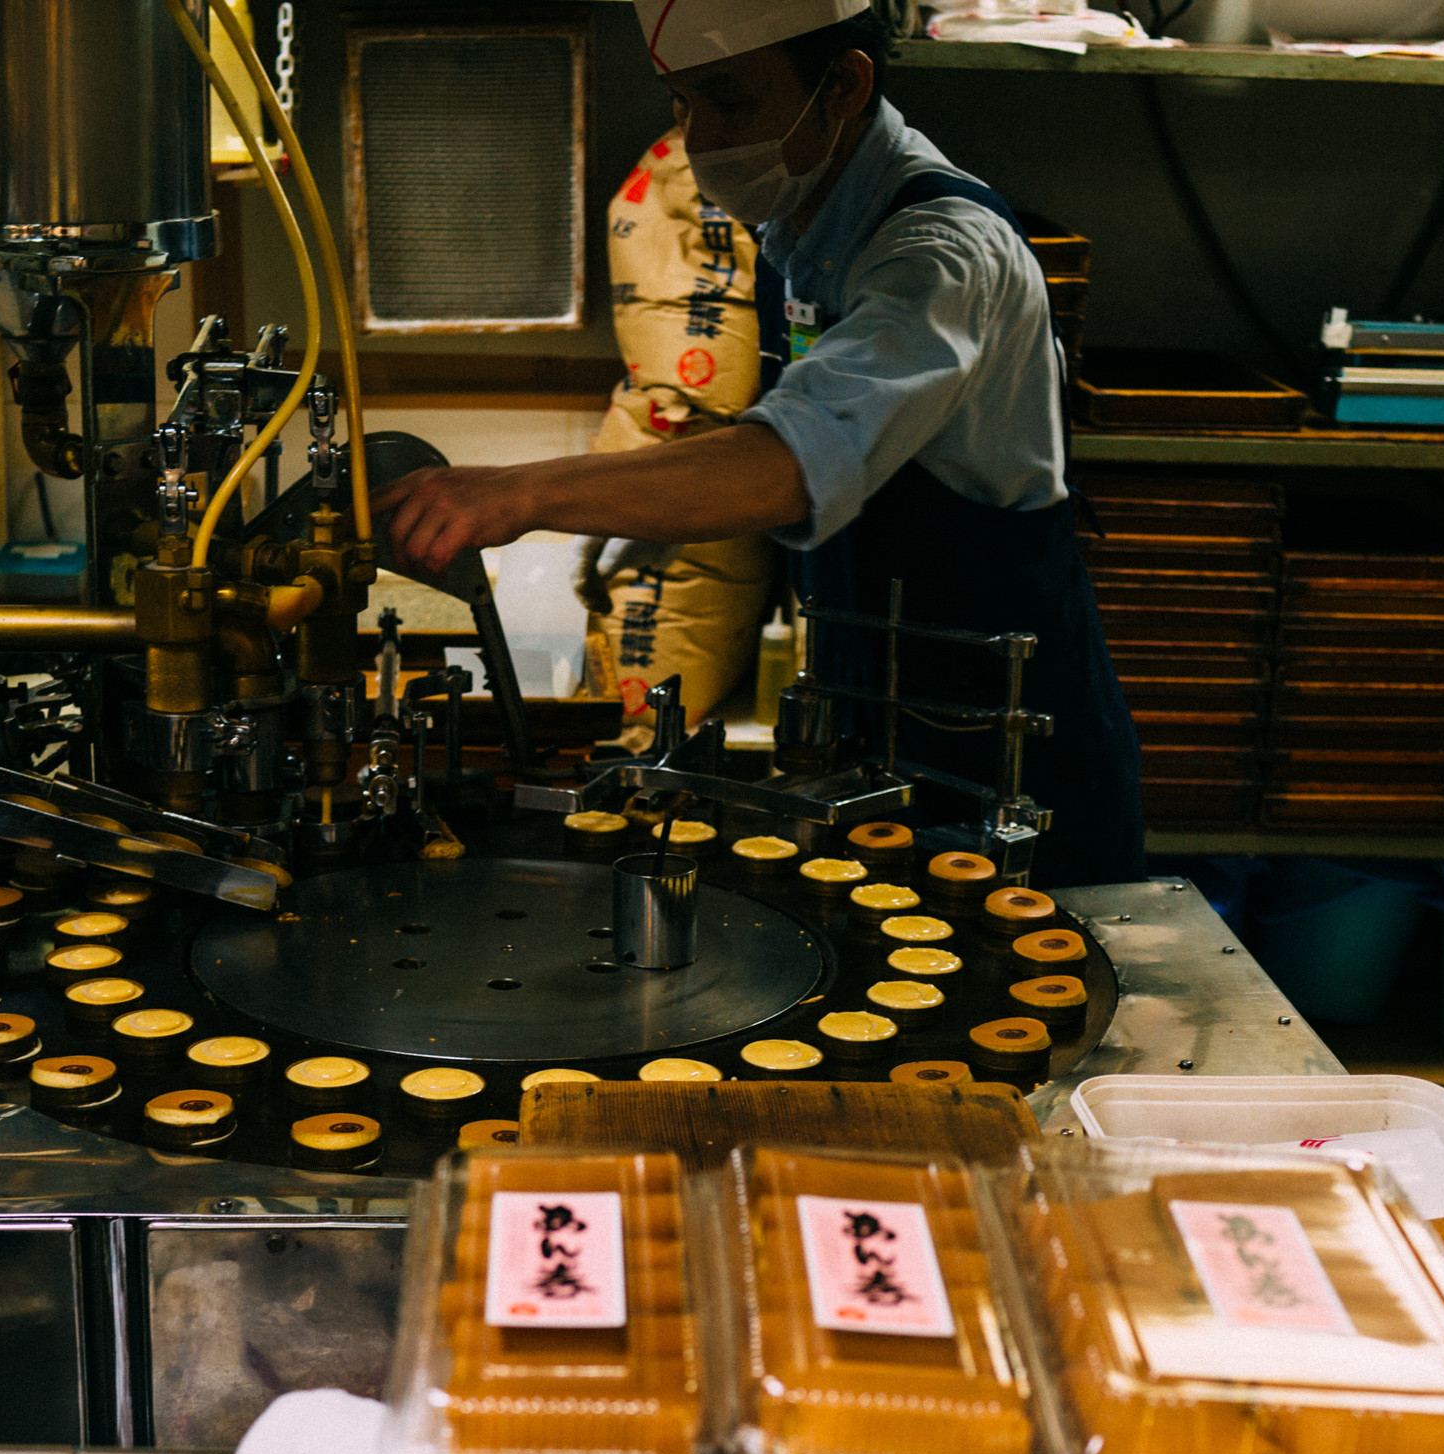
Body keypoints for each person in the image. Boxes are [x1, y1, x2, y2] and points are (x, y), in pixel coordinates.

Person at [378, 0, 1143, 885]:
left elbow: (789, 462)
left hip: (1009, 768)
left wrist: (522, 493)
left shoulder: (941, 258)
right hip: (878, 732)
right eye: (682, 103)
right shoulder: (801, 230)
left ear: (844, 84)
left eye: (730, 101)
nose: (700, 140)